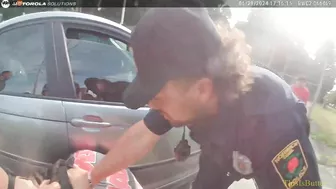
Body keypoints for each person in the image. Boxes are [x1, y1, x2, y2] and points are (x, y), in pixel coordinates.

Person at [72, 7, 320, 189]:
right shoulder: (188, 93)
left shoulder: (276, 122)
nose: (150, 104)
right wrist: (90, 177)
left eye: (156, 96)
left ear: (202, 89)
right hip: (220, 154)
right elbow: (142, 134)